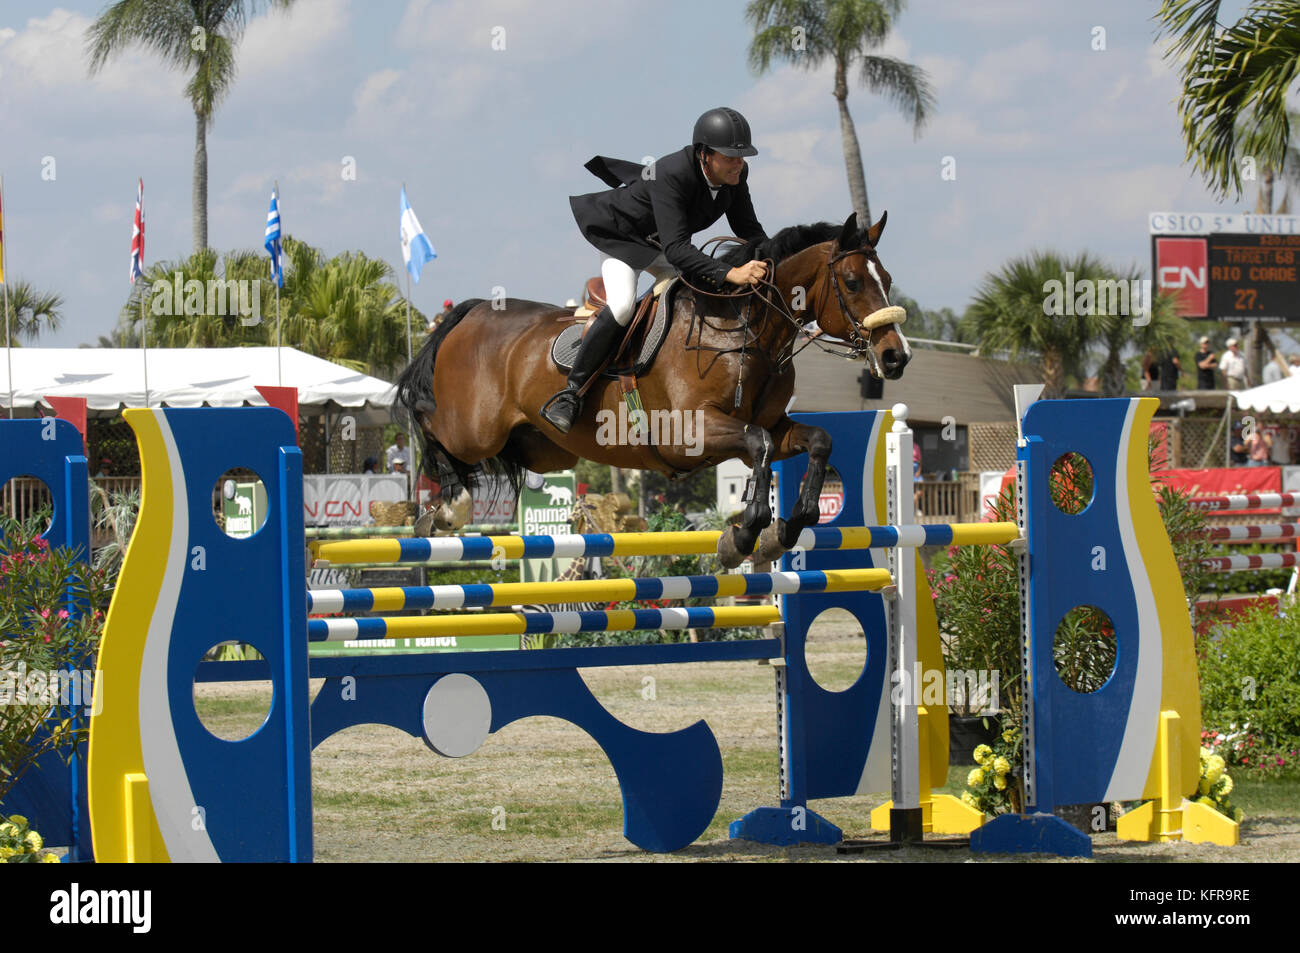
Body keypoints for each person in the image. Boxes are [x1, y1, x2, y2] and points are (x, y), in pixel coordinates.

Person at [541, 107, 770, 433]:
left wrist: (777, 258)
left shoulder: (735, 177)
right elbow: (678, 250)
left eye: (742, 156)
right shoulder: (672, 174)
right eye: (730, 156)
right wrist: (729, 273)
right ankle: (571, 394)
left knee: (692, 297)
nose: (738, 163)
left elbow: (748, 228)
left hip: (662, 246)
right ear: (705, 155)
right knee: (622, 306)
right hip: (624, 239)